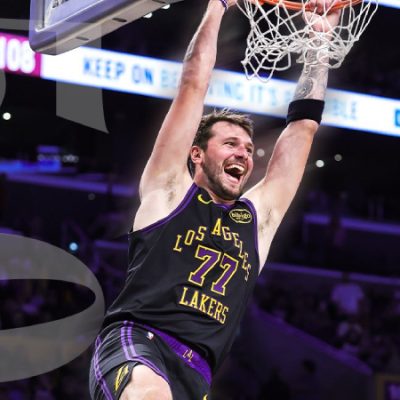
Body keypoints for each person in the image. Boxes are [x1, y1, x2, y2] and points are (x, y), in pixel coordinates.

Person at [89, 0, 341, 399]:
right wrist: (218, 6)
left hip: (198, 372)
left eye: (248, 148)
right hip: (139, 342)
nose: (244, 153)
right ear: (197, 155)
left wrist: (319, 44)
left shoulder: (257, 221)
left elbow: (303, 127)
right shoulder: (169, 191)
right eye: (230, 144)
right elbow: (193, 84)